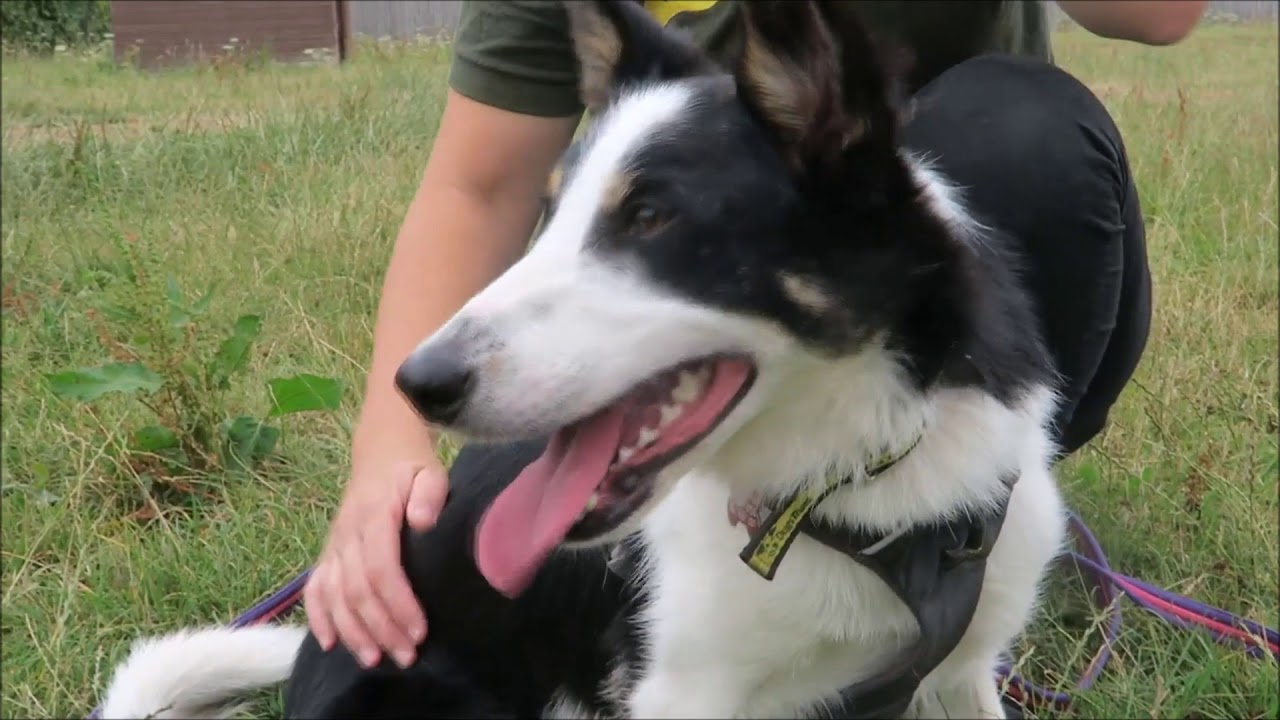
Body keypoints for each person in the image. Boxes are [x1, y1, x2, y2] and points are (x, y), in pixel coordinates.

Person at [302, 0, 1209, 672]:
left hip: (939, 263)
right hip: (711, 299)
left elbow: (1161, 15)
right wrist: (389, 446)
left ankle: (952, 516)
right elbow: (480, 185)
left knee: (1025, 135)